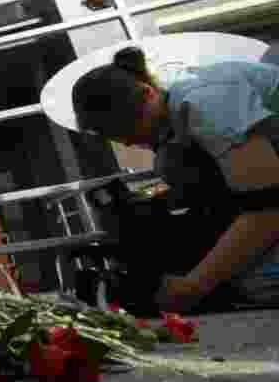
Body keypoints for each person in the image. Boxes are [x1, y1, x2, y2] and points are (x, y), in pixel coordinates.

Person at [71, 46, 279, 313]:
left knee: (256, 283)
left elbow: (267, 207)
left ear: (147, 94)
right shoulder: (172, 112)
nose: (127, 141)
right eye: (115, 136)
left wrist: (194, 285)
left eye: (126, 128)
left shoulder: (206, 103)